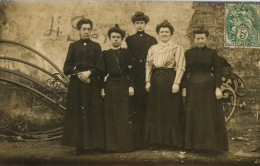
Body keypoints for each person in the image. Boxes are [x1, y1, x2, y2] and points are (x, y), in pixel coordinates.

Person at [62, 18, 104, 155]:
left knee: (92, 112)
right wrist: (78, 73)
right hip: (77, 85)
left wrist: (89, 72)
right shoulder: (73, 46)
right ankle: (79, 146)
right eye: (84, 29)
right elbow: (67, 67)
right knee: (78, 114)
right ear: (79, 31)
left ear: (91, 30)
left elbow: (101, 67)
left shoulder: (96, 46)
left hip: (92, 84)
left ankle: (94, 146)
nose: (86, 31)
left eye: (88, 29)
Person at [182, 29, 229, 152]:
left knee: (208, 114)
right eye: (198, 38)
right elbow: (184, 72)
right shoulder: (188, 53)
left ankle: (210, 146)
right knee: (193, 115)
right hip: (192, 87)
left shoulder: (212, 53)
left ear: (206, 39)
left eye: (202, 38)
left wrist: (218, 88)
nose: (200, 41)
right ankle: (193, 145)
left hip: (208, 87)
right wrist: (184, 88)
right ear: (194, 39)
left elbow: (218, 71)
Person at [144, 20, 185, 149]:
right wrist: (147, 81)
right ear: (158, 33)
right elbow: (148, 65)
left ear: (171, 33)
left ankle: (171, 142)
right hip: (156, 81)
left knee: (170, 111)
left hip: (169, 80)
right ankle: (155, 141)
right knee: (155, 110)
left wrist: (176, 83)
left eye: (167, 31)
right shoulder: (153, 48)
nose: (164, 34)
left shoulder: (177, 48)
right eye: (162, 31)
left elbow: (180, 66)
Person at [100, 24, 137, 152]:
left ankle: (125, 146)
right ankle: (111, 146)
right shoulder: (105, 54)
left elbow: (131, 72)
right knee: (111, 115)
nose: (116, 39)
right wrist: (102, 88)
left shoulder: (126, 53)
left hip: (123, 85)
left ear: (121, 39)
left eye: (118, 37)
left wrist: (131, 86)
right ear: (109, 38)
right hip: (110, 85)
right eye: (113, 37)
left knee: (124, 115)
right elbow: (102, 73)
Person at [125, 11, 157, 148]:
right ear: (134, 24)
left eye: (142, 23)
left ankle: (149, 139)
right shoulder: (129, 39)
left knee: (148, 107)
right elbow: (129, 58)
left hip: (148, 73)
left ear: (145, 24)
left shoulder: (151, 39)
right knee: (136, 107)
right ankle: (137, 140)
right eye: (137, 23)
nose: (139, 25)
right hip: (136, 74)